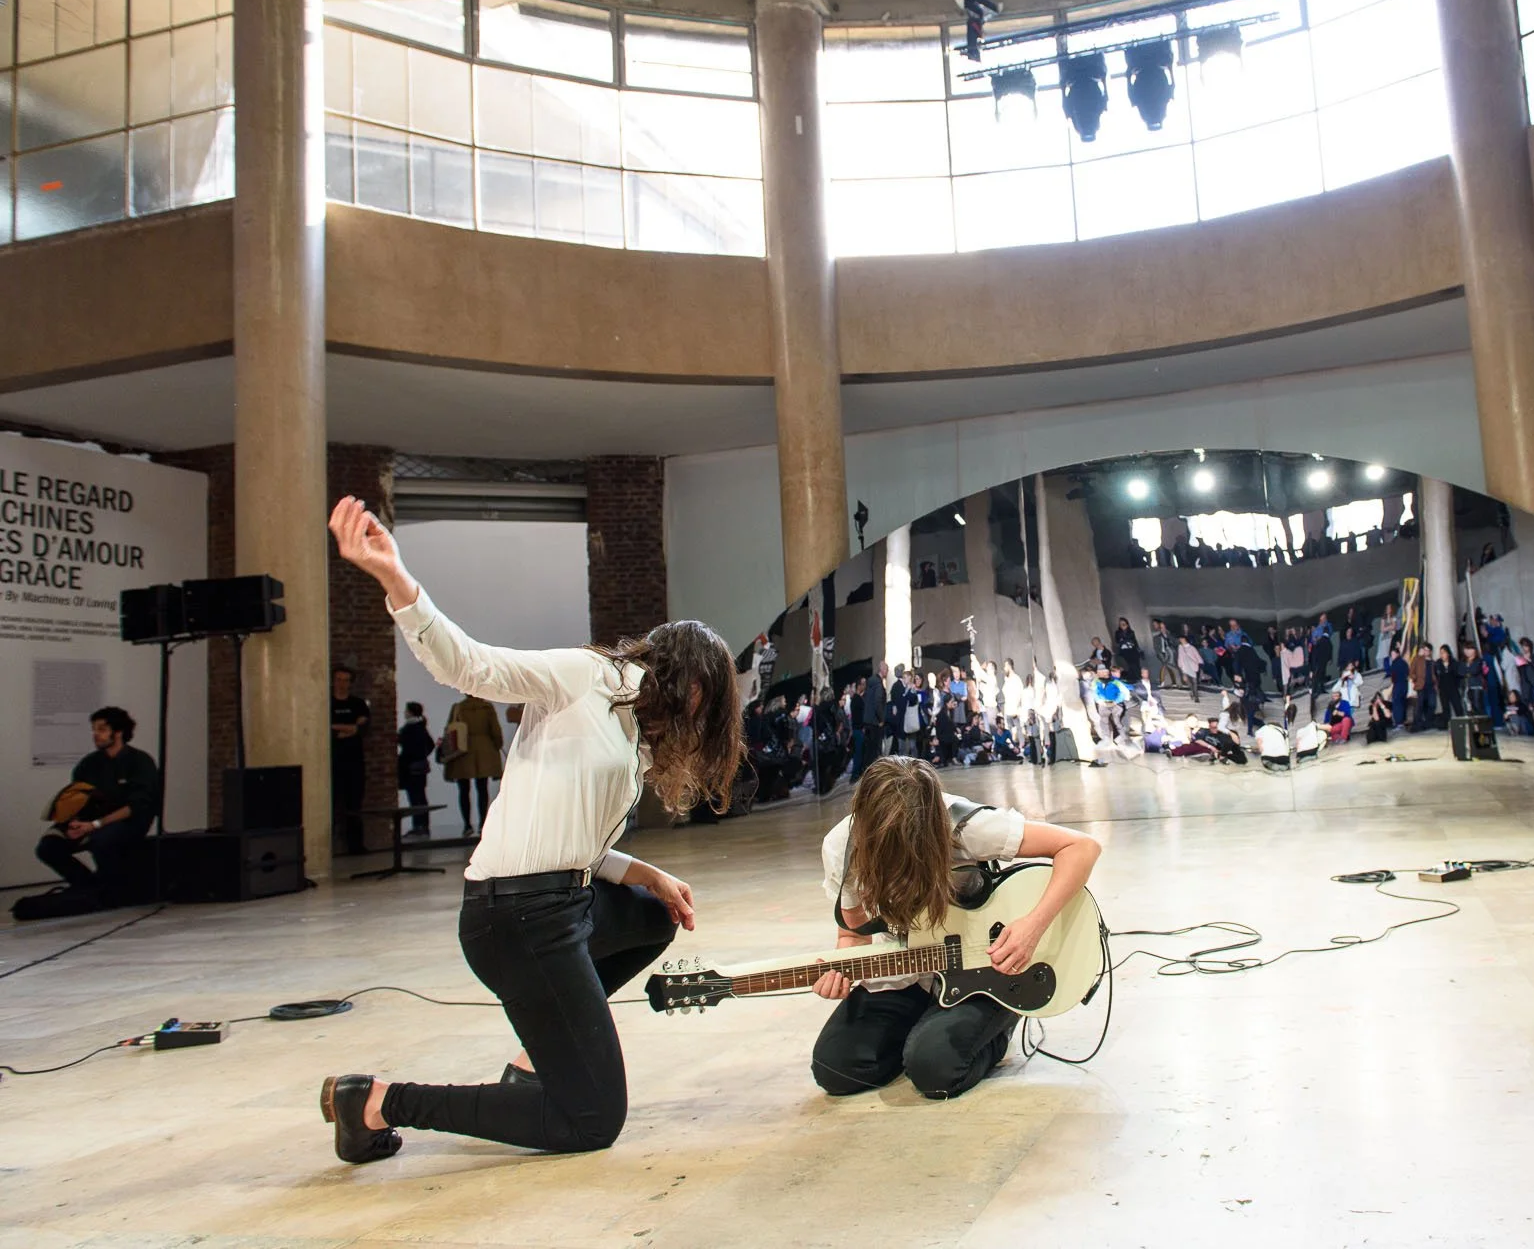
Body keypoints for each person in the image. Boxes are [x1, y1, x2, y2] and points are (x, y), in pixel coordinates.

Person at [318, 496, 741, 1164]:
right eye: (707, 703)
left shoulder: (634, 735)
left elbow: (579, 845)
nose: (700, 719)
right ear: (689, 682)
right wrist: (395, 578)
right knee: (591, 1119)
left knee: (651, 917)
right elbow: (471, 665)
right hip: (515, 916)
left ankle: (536, 1056)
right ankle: (377, 1099)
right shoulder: (586, 677)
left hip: (564, 903)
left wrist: (647, 873)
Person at [809, 757, 1102, 1100]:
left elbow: (1081, 847)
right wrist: (842, 969)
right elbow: (853, 936)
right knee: (835, 1069)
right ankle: (927, 1029)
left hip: (985, 971)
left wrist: (1032, 927)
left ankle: (996, 1021)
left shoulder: (964, 825)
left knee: (936, 1072)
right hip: (909, 972)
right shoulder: (842, 846)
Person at [35, 706, 161, 894]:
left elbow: (136, 806)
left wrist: (94, 825)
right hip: (90, 820)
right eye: (94, 729)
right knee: (48, 846)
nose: (96, 734)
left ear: (118, 732)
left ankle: (111, 889)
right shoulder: (89, 764)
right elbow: (77, 799)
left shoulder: (140, 761)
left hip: (127, 821)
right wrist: (75, 823)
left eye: (102, 729)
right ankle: (87, 886)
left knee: (102, 840)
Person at [443, 692, 505, 836]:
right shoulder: (487, 708)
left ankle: (467, 825)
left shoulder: (458, 708)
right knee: (482, 789)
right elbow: (495, 731)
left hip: (463, 750)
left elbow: (450, 728)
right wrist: (497, 745)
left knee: (464, 790)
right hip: (484, 751)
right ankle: (483, 824)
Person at [330, 666, 371, 854]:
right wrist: (351, 728)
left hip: (354, 762)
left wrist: (343, 729)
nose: (342, 684)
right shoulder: (326, 703)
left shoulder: (358, 704)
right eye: (339, 679)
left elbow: (362, 728)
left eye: (346, 680)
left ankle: (356, 846)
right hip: (331, 762)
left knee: (354, 805)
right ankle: (327, 847)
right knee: (329, 806)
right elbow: (325, 727)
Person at [397, 702, 436, 837]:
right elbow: (431, 745)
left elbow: (405, 746)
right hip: (421, 766)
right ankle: (423, 826)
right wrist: (422, 755)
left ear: (410, 712)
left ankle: (418, 826)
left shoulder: (409, 729)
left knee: (415, 798)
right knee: (421, 797)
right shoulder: (421, 728)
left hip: (411, 767)